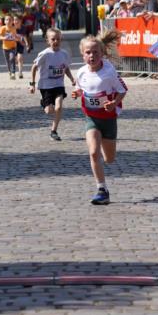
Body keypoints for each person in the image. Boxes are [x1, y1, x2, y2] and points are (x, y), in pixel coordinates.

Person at [72, 30, 127, 205]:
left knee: (109, 159)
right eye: (88, 52)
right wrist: (77, 92)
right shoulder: (81, 72)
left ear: (102, 54)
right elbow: (81, 88)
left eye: (95, 52)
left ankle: (107, 148)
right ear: (82, 55)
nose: (92, 55)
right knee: (93, 152)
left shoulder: (109, 72)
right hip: (92, 118)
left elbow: (122, 90)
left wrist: (113, 103)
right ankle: (101, 189)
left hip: (108, 118)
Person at [29, 28, 75, 141]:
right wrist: (32, 84)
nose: (56, 41)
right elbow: (34, 67)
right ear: (47, 41)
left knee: (59, 107)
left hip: (59, 85)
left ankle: (54, 131)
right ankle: (44, 103)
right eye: (53, 39)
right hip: (46, 86)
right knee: (49, 111)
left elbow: (66, 68)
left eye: (58, 39)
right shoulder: (44, 54)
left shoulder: (64, 54)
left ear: (61, 40)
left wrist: (72, 79)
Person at [0, 13, 23, 80]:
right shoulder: (3, 28)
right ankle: (9, 71)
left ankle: (13, 73)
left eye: (10, 20)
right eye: (6, 20)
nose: (8, 21)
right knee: (8, 61)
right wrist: (4, 38)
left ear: (12, 21)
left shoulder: (14, 28)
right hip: (5, 47)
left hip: (13, 47)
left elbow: (15, 36)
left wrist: (18, 39)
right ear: (4, 21)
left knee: (12, 58)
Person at [13, 13, 27, 78]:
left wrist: (26, 43)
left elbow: (24, 36)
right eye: (14, 20)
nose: (15, 21)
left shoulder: (23, 27)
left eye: (17, 20)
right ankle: (13, 70)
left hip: (20, 44)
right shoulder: (11, 27)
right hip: (13, 44)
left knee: (20, 58)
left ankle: (20, 72)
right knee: (15, 59)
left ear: (21, 21)